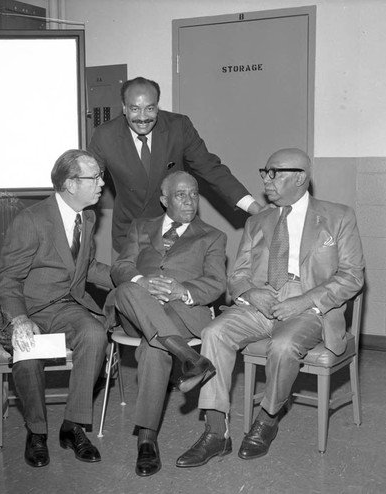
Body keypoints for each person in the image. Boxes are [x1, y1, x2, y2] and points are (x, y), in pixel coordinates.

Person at [176, 148, 365, 467]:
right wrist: (250, 292)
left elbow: (352, 276)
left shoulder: (338, 216)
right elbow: (237, 274)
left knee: (284, 344)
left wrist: (302, 301)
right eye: (265, 172)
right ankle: (215, 433)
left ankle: (267, 419)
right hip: (262, 300)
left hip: (310, 304)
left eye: (274, 172)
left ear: (300, 177)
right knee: (214, 332)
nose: (266, 180)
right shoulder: (258, 221)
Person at [0, 149, 113, 468]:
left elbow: (85, 268)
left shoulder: (86, 217)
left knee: (94, 333)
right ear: (71, 184)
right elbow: (7, 279)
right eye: (95, 177)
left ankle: (72, 427)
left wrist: (127, 277)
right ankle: (36, 432)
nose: (102, 183)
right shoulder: (31, 220)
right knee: (28, 358)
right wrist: (19, 320)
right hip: (28, 310)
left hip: (64, 306)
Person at [107, 171, 227, 477]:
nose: (190, 200)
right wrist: (142, 282)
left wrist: (181, 291)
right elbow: (121, 267)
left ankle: (146, 441)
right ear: (164, 199)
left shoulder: (212, 236)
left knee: (153, 348)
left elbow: (215, 284)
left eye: (194, 194)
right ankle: (192, 359)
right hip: (137, 310)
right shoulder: (141, 227)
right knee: (125, 288)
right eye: (180, 195)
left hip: (181, 312)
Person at [87, 76, 261, 254]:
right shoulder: (105, 136)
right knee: (131, 282)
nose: (142, 117)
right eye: (135, 109)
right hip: (129, 236)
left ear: (157, 107)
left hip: (175, 232)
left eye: (150, 108)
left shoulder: (178, 127)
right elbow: (88, 181)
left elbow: (210, 168)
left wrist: (255, 209)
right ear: (124, 108)